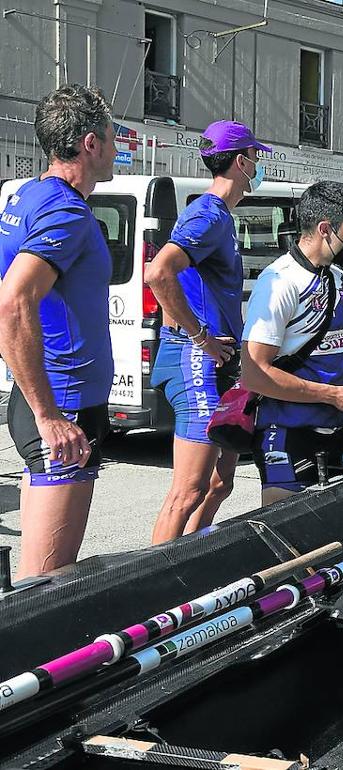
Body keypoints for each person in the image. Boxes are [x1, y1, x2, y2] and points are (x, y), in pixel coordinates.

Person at [0, 85, 116, 578]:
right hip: (62, 408)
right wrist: (49, 416)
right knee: (45, 585)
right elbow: (12, 303)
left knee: (47, 579)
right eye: (112, 138)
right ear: (90, 143)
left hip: (52, 399)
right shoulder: (65, 211)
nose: (117, 149)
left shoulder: (27, 194)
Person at [146, 121, 268, 544]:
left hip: (222, 363)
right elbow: (158, 272)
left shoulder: (222, 217)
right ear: (241, 161)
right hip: (195, 359)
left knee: (221, 485)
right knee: (189, 490)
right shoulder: (206, 215)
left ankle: (192, 563)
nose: (258, 165)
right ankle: (156, 587)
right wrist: (201, 337)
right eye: (256, 158)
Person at [240, 182, 343, 505]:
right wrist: (335, 395)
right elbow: (254, 374)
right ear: (325, 229)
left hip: (335, 431)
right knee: (288, 538)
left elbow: (335, 347)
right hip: (286, 431)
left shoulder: (341, 280)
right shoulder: (279, 282)